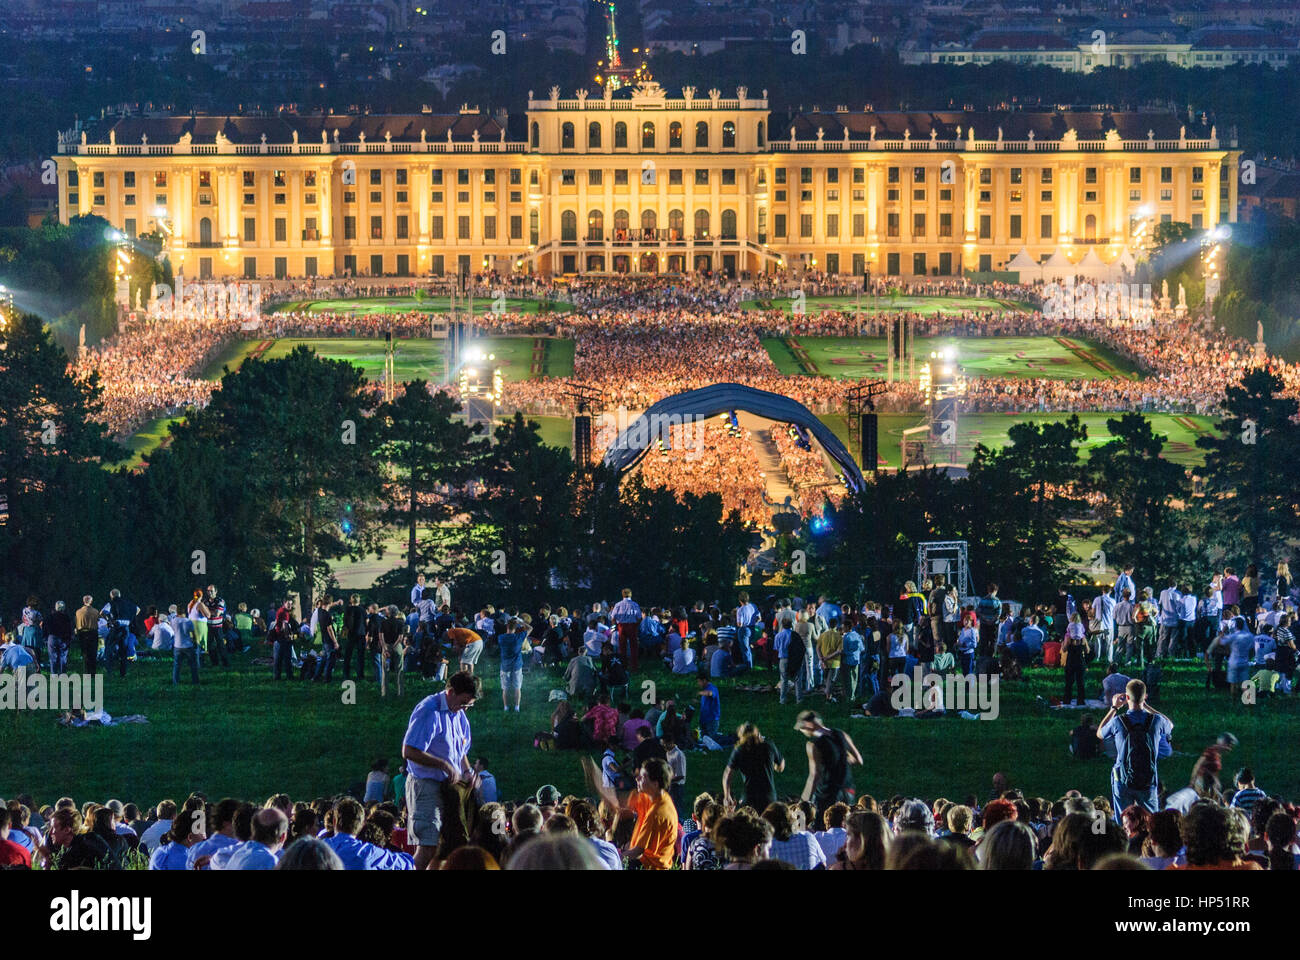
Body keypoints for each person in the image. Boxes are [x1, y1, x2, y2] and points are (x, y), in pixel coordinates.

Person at [401, 671, 482, 869]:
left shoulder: (459, 714)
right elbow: (409, 750)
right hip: (426, 784)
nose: (464, 708)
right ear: (451, 692)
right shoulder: (429, 710)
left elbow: (461, 750)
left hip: (449, 788)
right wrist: (443, 764)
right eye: (463, 702)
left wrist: (467, 771)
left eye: (468, 705)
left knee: (445, 846)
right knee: (428, 845)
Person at [1097, 678, 1173, 822]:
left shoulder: (1118, 721)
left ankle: (1126, 840)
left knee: (1123, 820)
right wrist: (1146, 706)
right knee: (1152, 821)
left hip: (1122, 778)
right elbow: (1170, 724)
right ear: (1145, 696)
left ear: (1126, 697)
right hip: (1148, 779)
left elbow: (1100, 733)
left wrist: (1114, 708)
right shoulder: (1156, 721)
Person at [583, 755, 679, 870]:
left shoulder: (657, 813)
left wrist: (612, 857)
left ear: (655, 784)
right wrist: (596, 776)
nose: (637, 779)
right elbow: (615, 801)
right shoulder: (654, 796)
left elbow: (638, 851)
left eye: (643, 777)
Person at [796, 710, 862, 818]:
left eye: (802, 728)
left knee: (823, 828)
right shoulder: (841, 734)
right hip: (848, 790)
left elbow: (814, 775)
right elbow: (859, 759)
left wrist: (803, 802)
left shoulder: (813, 744)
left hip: (828, 794)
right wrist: (842, 759)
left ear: (809, 725)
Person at [723, 722, 785, 813]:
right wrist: (772, 765)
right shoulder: (768, 745)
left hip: (749, 798)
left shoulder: (739, 750)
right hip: (769, 797)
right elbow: (781, 767)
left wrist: (727, 795)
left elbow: (727, 774)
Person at [610, 588, 643, 672]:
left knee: (622, 647)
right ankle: (634, 666)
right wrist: (636, 625)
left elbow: (613, 618)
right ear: (631, 594)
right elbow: (639, 617)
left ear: (622, 594)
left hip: (621, 626)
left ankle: (623, 665)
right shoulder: (634, 604)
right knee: (633, 647)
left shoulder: (618, 604)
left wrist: (614, 628)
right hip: (632, 626)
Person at [497, 618, 527, 712]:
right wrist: (521, 622)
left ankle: (506, 707)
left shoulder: (501, 637)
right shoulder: (519, 637)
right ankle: (517, 707)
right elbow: (530, 628)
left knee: (505, 688)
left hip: (505, 666)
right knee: (517, 688)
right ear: (516, 627)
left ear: (507, 627)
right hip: (517, 666)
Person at [1063, 613, 1089, 706]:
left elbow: (1064, 649)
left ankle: (1067, 700)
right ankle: (1080, 700)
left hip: (1070, 661)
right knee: (1080, 682)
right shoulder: (1082, 638)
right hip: (1080, 661)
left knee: (1069, 682)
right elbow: (1087, 650)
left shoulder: (1068, 637)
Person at [817, 617, 843, 702]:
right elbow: (839, 651)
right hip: (834, 662)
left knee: (826, 679)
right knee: (831, 681)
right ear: (836, 625)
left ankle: (828, 696)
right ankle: (828, 698)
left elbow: (818, 648)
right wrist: (828, 657)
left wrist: (821, 659)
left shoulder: (823, 635)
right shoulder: (839, 636)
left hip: (824, 662)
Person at [75, 595, 100, 676]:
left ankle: (86, 672)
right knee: (93, 653)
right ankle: (93, 672)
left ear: (83, 601)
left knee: (85, 653)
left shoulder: (78, 612)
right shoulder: (95, 611)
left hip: (82, 633)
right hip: (93, 633)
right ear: (91, 601)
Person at [697, 674, 721, 741]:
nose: (698, 683)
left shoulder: (712, 688)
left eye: (699, 681)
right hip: (703, 719)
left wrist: (700, 693)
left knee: (712, 740)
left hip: (711, 720)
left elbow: (710, 693)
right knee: (705, 740)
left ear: (704, 680)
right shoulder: (705, 690)